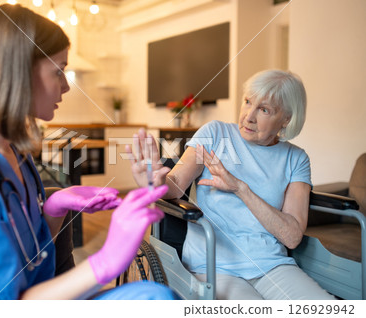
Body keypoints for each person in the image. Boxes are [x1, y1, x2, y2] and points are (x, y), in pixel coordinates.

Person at [0, 4, 177, 300]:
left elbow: (33, 259)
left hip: (33, 294)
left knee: (154, 298)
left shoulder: (15, 153)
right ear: (18, 72)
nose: (65, 86)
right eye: (58, 71)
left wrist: (54, 210)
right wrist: (103, 263)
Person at [127, 69, 336, 300]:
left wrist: (240, 189)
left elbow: (292, 236)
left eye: (264, 109)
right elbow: (175, 183)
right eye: (248, 102)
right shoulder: (215, 133)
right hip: (214, 266)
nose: (249, 116)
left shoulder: (296, 159)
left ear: (286, 119)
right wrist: (155, 182)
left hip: (272, 266)